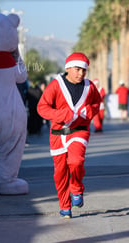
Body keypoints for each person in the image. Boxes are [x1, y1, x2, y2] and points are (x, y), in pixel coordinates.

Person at [37, 52, 101, 219]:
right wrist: (61, 115)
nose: (81, 73)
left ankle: (77, 188)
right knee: (60, 173)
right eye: (77, 69)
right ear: (68, 68)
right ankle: (65, 206)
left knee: (76, 160)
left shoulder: (89, 86)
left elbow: (96, 102)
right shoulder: (55, 85)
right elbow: (42, 107)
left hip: (79, 131)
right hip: (58, 134)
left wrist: (90, 111)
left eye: (84, 70)